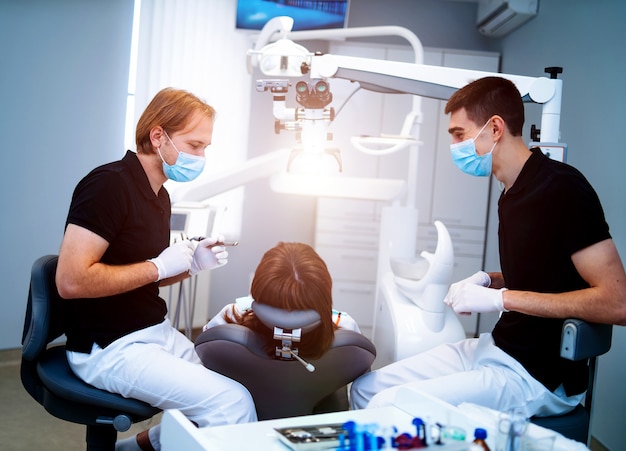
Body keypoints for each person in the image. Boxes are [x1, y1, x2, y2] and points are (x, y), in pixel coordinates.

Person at [350, 76, 626, 418]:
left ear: (495, 128)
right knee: (366, 390)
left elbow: (618, 303)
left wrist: (500, 299)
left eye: (459, 134)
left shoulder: (562, 190)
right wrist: (489, 280)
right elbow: (549, 273)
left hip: (536, 374)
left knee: (386, 407)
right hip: (497, 347)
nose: (454, 146)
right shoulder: (511, 191)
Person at [55, 87, 257, 451]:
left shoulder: (159, 195)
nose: (201, 156)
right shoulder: (109, 185)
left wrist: (191, 266)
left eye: (205, 148)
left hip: (151, 331)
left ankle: (136, 447)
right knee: (232, 404)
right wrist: (157, 265)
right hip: (109, 347)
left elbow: (141, 273)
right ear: (158, 135)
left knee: (216, 398)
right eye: (195, 145)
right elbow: (70, 281)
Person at [204, 242, 360, 359]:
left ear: (257, 289)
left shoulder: (230, 318)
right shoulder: (345, 326)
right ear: (325, 293)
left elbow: (204, 362)